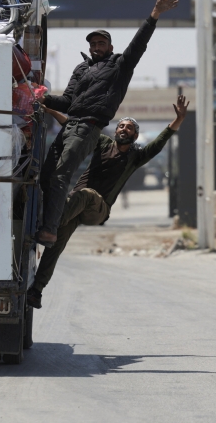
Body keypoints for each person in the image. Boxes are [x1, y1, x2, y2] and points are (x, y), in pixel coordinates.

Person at [35, 0, 180, 246]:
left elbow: (139, 44)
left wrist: (154, 15)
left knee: (60, 176)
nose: (96, 47)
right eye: (93, 44)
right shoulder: (81, 69)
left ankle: (49, 229)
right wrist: (42, 99)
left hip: (87, 128)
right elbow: (67, 101)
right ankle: (39, 220)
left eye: (101, 43)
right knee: (46, 176)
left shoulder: (119, 65)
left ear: (110, 47)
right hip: (69, 127)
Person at [28, 95, 190, 309]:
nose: (124, 129)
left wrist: (177, 120)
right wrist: (50, 112)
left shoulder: (136, 156)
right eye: (121, 126)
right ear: (115, 131)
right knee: (55, 246)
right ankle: (36, 291)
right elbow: (73, 126)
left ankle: (47, 227)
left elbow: (159, 143)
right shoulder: (102, 143)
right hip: (76, 205)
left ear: (135, 135)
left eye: (129, 128)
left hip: (98, 208)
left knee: (85, 195)